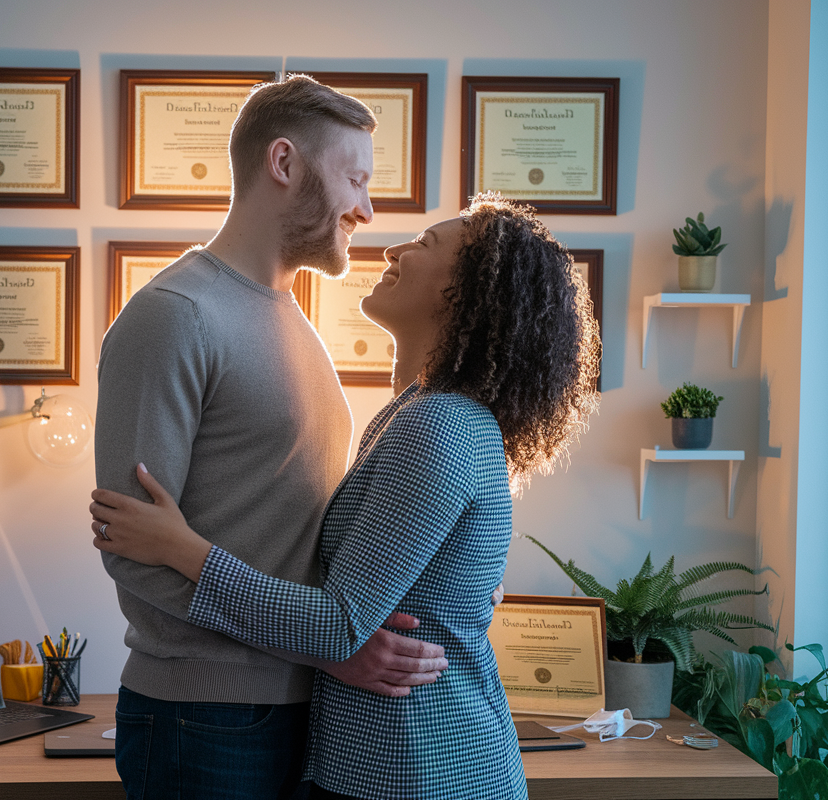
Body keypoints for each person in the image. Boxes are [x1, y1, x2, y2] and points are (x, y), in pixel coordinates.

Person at [91, 195, 601, 800]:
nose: (395, 248)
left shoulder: (437, 425)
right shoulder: (412, 414)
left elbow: (338, 626)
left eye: (426, 244)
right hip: (394, 764)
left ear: (463, 293)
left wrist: (184, 550)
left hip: (424, 770)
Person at [94, 75, 450, 800]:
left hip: (296, 709)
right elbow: (135, 551)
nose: (367, 209)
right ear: (284, 164)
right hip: (203, 719)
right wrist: (326, 652)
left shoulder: (293, 321)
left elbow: (309, 526)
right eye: (355, 178)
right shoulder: (174, 316)